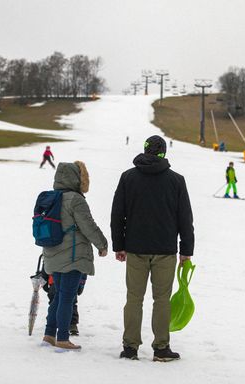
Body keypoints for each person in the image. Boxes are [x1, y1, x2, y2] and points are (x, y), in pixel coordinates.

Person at [111, 135, 194, 362]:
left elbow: (118, 214)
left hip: (135, 248)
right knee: (162, 300)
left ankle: (130, 347)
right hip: (165, 250)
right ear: (164, 153)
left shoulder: (128, 177)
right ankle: (161, 348)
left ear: (145, 150)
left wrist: (119, 245)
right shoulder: (176, 180)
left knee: (134, 298)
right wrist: (186, 249)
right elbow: (185, 218)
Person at [42, 161, 108, 350]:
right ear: (75, 178)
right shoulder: (75, 199)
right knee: (67, 297)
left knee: (58, 296)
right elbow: (88, 226)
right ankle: (62, 337)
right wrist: (102, 245)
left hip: (52, 254)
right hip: (72, 256)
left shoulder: (51, 198)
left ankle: (49, 334)